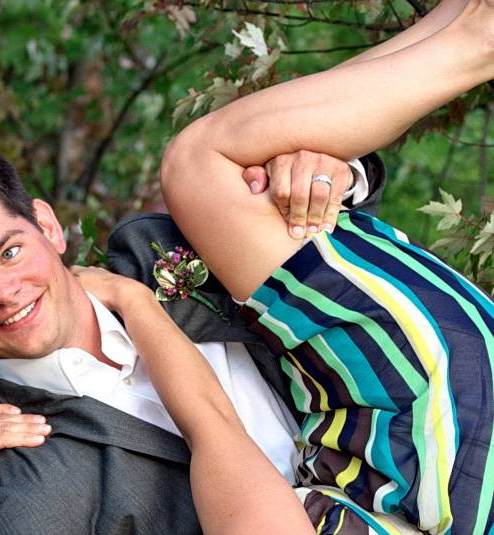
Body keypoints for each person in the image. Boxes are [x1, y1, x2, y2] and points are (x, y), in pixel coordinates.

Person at [75, 0, 492, 534]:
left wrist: (316, 168)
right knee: (200, 164)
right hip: (446, 448)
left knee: (233, 168)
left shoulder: (14, 452)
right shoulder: (28, 485)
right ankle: (470, 37)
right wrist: (137, 306)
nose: (1, 292)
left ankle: (462, 26)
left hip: (378, 427)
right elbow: (214, 432)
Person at [0, 143, 383, 533]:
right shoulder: (21, 490)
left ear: (48, 227)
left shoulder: (155, 251)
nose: (4, 292)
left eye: (9, 252)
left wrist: (331, 176)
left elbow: (343, 229)